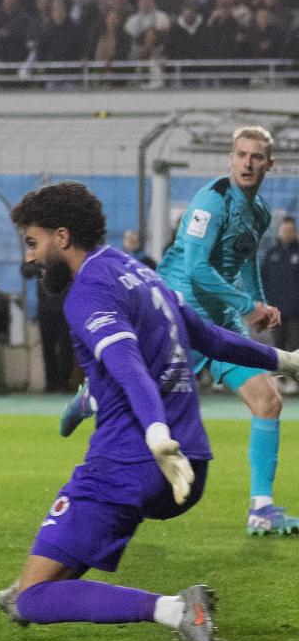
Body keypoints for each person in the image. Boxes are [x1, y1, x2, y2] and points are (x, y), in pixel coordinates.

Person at [0, 182, 299, 641]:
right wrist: (284, 360)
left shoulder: (85, 293)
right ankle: (35, 583)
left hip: (131, 462)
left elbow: (128, 363)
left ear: (62, 236)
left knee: (32, 600)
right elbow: (210, 338)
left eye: (33, 243)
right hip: (190, 464)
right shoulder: (140, 273)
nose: (29, 257)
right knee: (44, 578)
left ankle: (178, 610)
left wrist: (156, 434)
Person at [60, 126, 297, 536]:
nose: (247, 163)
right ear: (230, 159)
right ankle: (93, 397)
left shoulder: (258, 212)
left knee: (268, 399)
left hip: (218, 321)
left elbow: (246, 260)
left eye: (256, 157)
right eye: (241, 154)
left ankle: (261, 508)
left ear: (268, 164)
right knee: (145, 402)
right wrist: (246, 305)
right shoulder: (212, 202)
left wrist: (257, 305)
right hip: (175, 314)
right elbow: (196, 269)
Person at [260, 216, 299, 353]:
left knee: (294, 350)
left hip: (296, 314)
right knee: (277, 351)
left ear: (295, 232)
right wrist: (266, 304)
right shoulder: (271, 254)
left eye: (290, 230)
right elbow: (262, 280)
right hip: (275, 312)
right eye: (284, 230)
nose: (287, 233)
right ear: (278, 231)